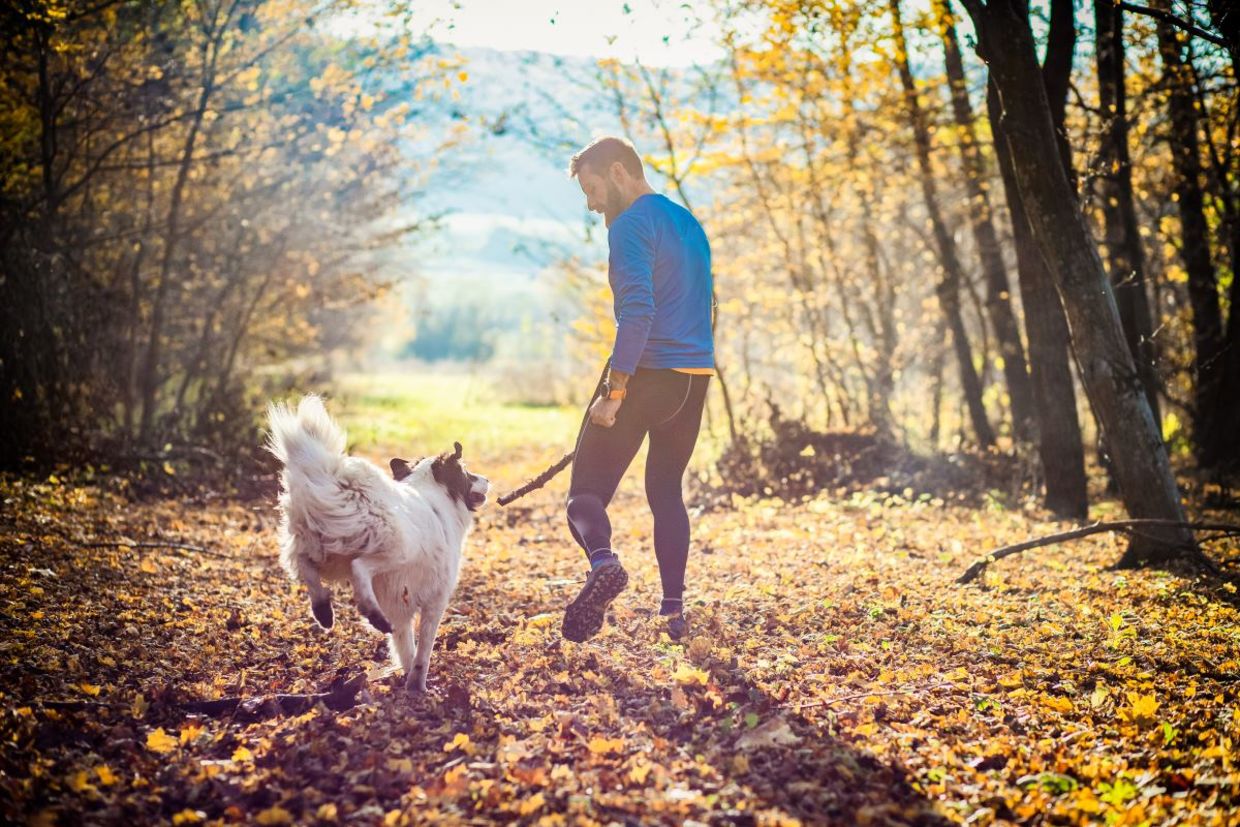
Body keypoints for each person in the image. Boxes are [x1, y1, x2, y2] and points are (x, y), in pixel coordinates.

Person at [560, 136, 714, 644]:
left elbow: (638, 311)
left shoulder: (630, 226)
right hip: (694, 380)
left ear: (620, 172)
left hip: (647, 373)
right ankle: (674, 611)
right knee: (666, 492)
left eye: (593, 188)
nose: (592, 203)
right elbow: (707, 306)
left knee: (584, 495)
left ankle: (603, 563)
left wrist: (617, 387)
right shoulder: (687, 222)